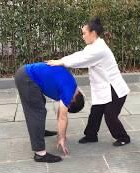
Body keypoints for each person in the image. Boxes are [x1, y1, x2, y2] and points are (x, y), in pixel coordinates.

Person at [46, 17, 130, 146]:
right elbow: (78, 55)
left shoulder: (99, 49)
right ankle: (91, 135)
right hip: (104, 87)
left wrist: (60, 62)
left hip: (114, 89)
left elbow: (81, 60)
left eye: (84, 33)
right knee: (96, 111)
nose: (83, 36)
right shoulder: (93, 46)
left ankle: (123, 137)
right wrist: (61, 60)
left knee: (110, 116)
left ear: (93, 33)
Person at [14, 62, 85, 163]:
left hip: (26, 74)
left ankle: (40, 132)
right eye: (68, 106)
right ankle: (40, 154)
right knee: (37, 112)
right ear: (71, 102)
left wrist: (62, 135)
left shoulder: (72, 85)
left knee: (40, 105)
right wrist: (61, 139)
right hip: (27, 78)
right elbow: (62, 117)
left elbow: (60, 113)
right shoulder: (68, 92)